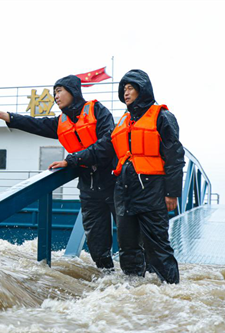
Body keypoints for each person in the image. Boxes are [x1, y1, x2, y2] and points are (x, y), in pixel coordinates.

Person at [0, 75, 116, 270]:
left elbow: (107, 144)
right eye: (54, 93)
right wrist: (5, 116)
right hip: (89, 186)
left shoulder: (98, 111)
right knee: (96, 244)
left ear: (73, 91)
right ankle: (109, 279)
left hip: (114, 181)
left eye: (59, 91)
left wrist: (72, 160)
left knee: (130, 239)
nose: (56, 96)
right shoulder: (61, 122)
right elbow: (35, 124)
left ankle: (140, 282)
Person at [67, 69, 184, 283]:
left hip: (151, 190)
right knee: (127, 247)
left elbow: (175, 157)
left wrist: (172, 193)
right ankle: (135, 292)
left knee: (157, 246)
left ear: (143, 89)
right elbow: (102, 148)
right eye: (124, 89)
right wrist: (72, 159)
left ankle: (171, 292)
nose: (126, 92)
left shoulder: (162, 117)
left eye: (130, 88)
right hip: (123, 191)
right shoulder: (123, 122)